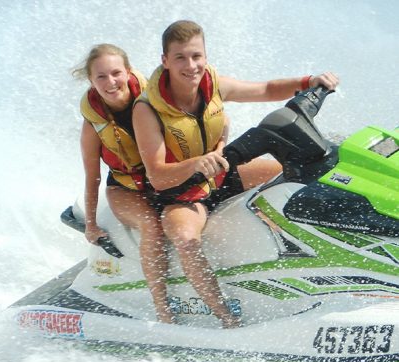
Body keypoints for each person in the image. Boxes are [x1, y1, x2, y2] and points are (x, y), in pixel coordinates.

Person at [133, 20, 339, 328]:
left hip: (220, 174)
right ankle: (227, 320)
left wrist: (310, 80)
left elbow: (266, 90)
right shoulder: (146, 109)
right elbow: (158, 177)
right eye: (180, 58)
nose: (191, 66)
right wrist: (195, 164)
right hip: (179, 193)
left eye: (196, 56)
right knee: (187, 239)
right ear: (165, 60)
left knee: (303, 175)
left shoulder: (213, 83)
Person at [72, 44, 173, 323]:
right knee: (150, 225)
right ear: (91, 81)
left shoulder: (155, 98)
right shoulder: (93, 122)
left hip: (167, 177)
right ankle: (162, 309)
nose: (110, 82)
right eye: (100, 77)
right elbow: (92, 175)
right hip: (126, 187)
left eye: (116, 73)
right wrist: (91, 224)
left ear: (128, 72)